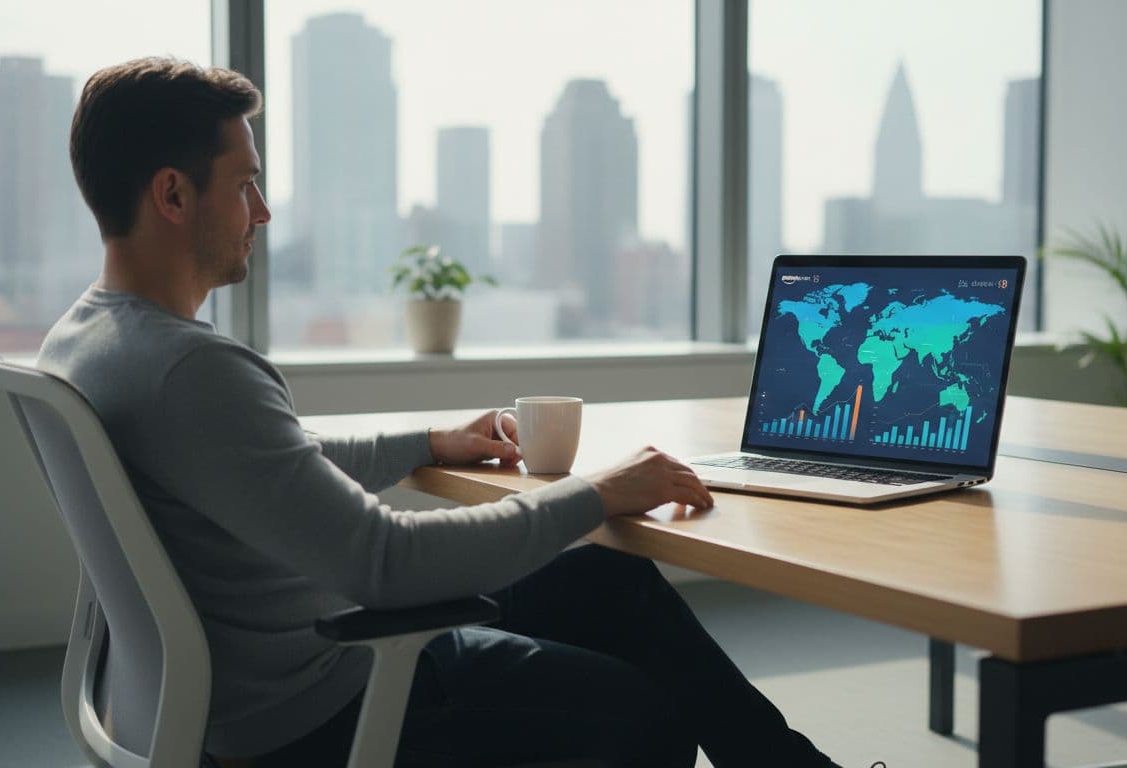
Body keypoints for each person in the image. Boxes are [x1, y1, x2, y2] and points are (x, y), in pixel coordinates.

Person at [41, 56, 843, 768]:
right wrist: (602, 492)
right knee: (647, 714)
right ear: (173, 194)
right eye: (245, 181)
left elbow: (272, 463)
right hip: (324, 702)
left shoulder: (90, 339)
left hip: (253, 678)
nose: (262, 211)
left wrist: (429, 441)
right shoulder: (192, 368)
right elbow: (387, 563)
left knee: (607, 580)